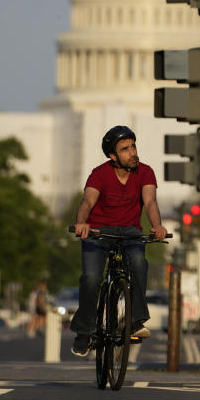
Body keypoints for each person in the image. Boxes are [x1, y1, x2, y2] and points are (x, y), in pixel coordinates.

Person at [69, 125, 168, 356]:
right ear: (113, 156)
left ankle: (135, 321)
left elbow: (150, 202)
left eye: (133, 146)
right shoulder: (99, 174)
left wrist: (157, 226)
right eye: (125, 149)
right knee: (91, 278)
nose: (132, 152)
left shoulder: (145, 172)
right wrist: (82, 222)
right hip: (99, 233)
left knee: (139, 263)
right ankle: (84, 333)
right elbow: (87, 202)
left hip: (130, 232)